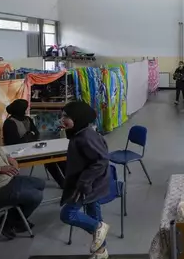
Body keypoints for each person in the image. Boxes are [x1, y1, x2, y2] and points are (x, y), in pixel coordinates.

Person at [59, 102, 111, 259]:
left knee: (68, 214)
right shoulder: (80, 134)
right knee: (93, 213)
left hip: (85, 185)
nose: (62, 120)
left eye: (66, 117)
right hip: (90, 185)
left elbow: (101, 161)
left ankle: (98, 227)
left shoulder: (86, 137)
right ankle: (101, 251)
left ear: (78, 118)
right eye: (62, 116)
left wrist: (83, 183)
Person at [3, 99, 66, 188]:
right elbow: (14, 142)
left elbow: (36, 133)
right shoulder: (9, 123)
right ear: (20, 110)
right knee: (49, 160)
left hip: (32, 147)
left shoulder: (28, 119)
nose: (26, 110)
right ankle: (62, 182)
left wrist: (28, 136)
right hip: (18, 153)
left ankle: (69, 178)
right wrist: (29, 135)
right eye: (25, 109)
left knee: (57, 156)